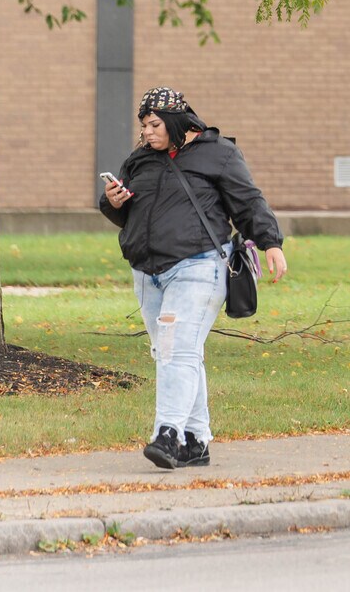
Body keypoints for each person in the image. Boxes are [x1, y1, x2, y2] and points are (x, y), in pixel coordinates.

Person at [99, 87, 288, 469]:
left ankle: (167, 433)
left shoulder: (218, 153)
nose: (147, 132)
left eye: (155, 124)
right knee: (173, 351)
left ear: (174, 122)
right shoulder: (140, 160)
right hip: (148, 271)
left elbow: (249, 201)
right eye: (144, 125)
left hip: (198, 267)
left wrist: (270, 242)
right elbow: (129, 213)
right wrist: (112, 201)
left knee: (176, 349)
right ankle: (196, 439)